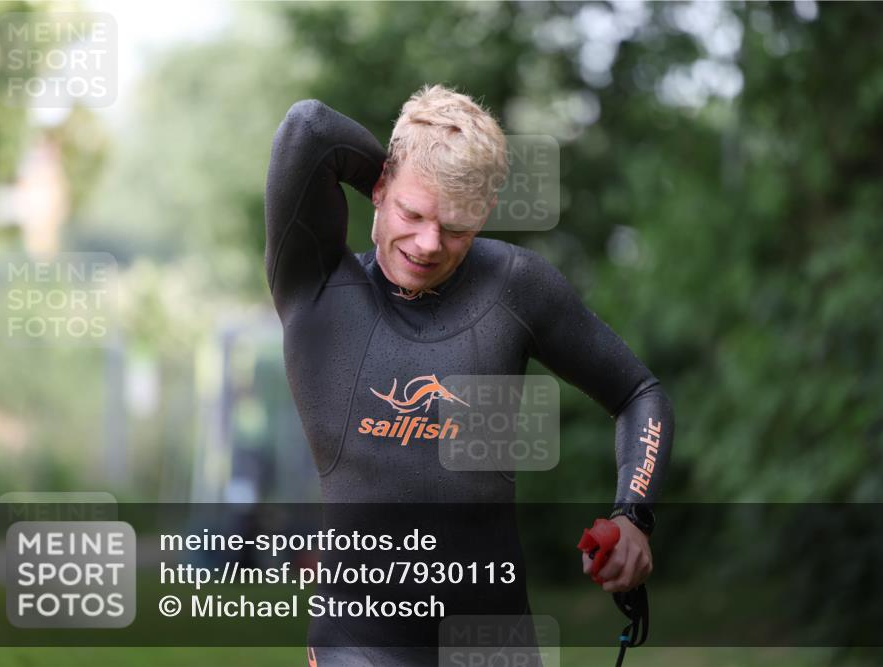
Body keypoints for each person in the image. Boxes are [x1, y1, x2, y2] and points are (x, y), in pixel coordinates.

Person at [264, 84, 674, 667]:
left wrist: (632, 516)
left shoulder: (515, 287)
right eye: (412, 212)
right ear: (378, 187)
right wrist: (405, 164)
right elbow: (308, 126)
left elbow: (639, 394)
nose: (429, 244)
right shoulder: (315, 289)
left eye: (457, 226)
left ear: (484, 213)